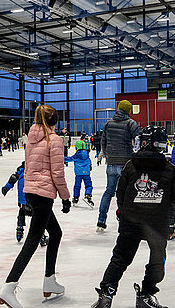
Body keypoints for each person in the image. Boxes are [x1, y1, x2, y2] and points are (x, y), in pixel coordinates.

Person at [0, 105, 71, 308]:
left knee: (55, 233)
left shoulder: (31, 139)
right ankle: (8, 288)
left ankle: (49, 280)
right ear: (56, 121)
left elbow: (28, 167)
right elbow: (57, 174)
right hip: (43, 195)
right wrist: (65, 197)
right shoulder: (54, 140)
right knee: (32, 241)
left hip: (31, 192)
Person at [91, 125, 175, 308]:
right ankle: (146, 293)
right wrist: (170, 222)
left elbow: (120, 194)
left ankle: (106, 294)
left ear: (144, 143)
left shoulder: (130, 166)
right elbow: (174, 200)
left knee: (120, 258)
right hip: (157, 224)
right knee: (157, 259)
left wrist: (123, 213)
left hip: (132, 222)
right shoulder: (170, 169)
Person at [97, 100, 141, 232]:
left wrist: (107, 156)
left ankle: (101, 221)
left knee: (109, 192)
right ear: (129, 110)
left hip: (111, 163)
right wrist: (135, 153)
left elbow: (103, 142)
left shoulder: (108, 123)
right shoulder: (131, 123)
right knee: (127, 193)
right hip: (125, 164)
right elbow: (139, 138)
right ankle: (127, 221)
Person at [1, 161, 49, 247]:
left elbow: (12, 180)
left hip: (22, 203)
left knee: (21, 212)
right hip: (33, 201)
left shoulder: (20, 174)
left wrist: (5, 188)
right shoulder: (35, 174)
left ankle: (19, 228)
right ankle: (41, 236)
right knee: (38, 217)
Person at [65, 140, 94, 208]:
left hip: (78, 174)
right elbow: (89, 161)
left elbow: (69, 159)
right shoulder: (87, 154)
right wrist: (90, 166)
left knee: (77, 186)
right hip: (86, 173)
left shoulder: (76, 155)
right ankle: (88, 195)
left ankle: (76, 198)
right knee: (88, 185)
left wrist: (61, 158)